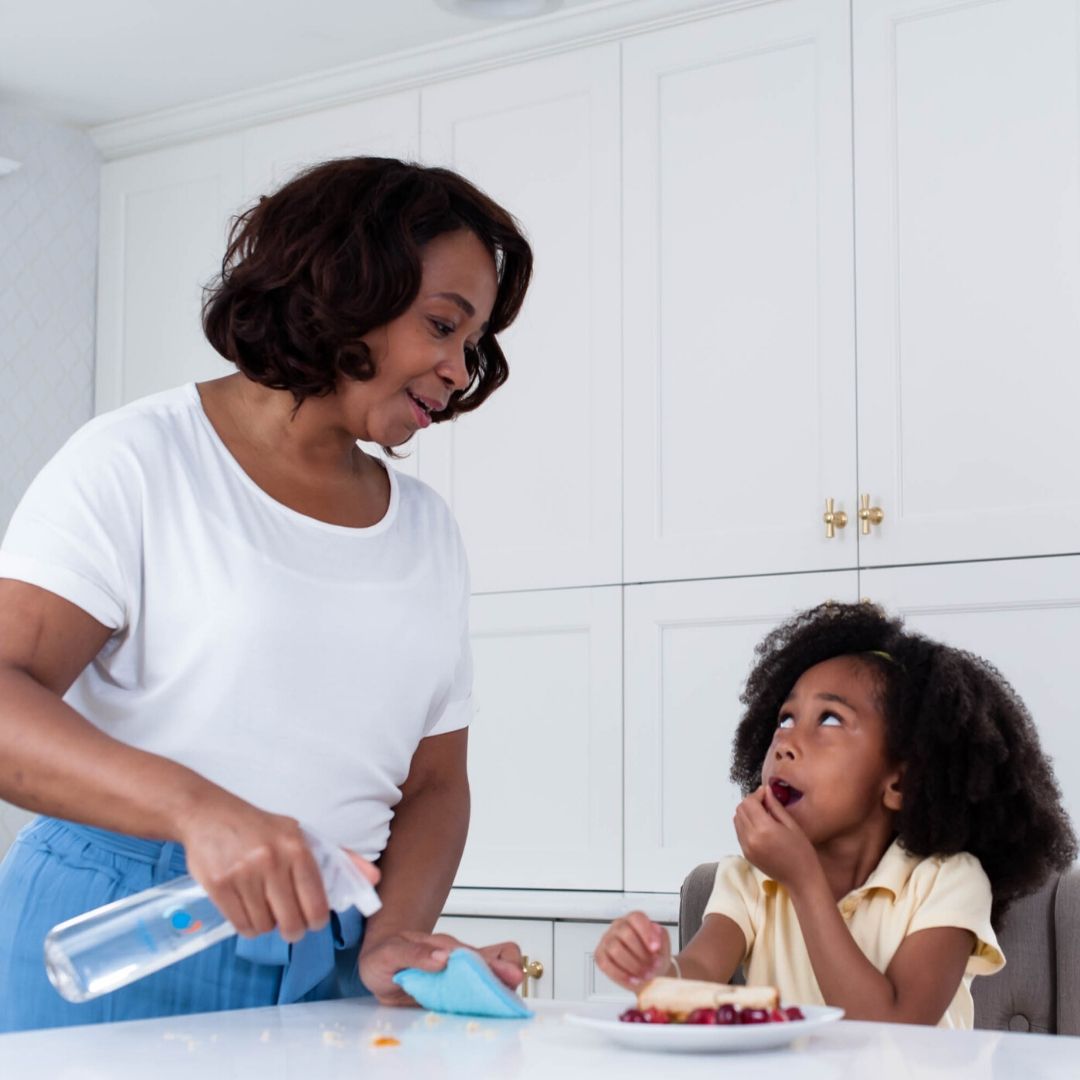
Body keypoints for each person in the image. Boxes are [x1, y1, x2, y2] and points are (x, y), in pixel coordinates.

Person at [0, 157, 533, 1031]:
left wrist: (393, 936)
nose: (459, 369)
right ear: (347, 284)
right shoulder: (138, 460)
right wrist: (197, 811)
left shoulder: (428, 529)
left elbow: (436, 783)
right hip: (123, 930)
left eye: (472, 344)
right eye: (443, 325)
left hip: (331, 954)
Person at [595, 602, 1077, 1028]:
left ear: (900, 783)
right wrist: (654, 972)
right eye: (785, 719)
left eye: (829, 719)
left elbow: (894, 1025)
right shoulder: (748, 880)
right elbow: (695, 978)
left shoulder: (948, 881)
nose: (785, 742)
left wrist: (804, 880)